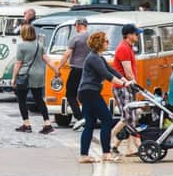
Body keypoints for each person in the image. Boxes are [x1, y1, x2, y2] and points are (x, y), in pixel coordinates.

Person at [79, 32, 134, 163]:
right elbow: (106, 75)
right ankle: (106, 153)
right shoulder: (94, 58)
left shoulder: (98, 57)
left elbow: (112, 70)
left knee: (90, 124)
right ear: (100, 43)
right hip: (90, 92)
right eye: (106, 41)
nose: (108, 43)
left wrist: (124, 79)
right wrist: (124, 83)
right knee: (107, 119)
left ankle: (84, 155)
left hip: (86, 92)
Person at [11, 24, 60, 134]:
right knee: (39, 99)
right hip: (38, 75)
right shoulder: (39, 45)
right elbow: (47, 59)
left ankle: (26, 124)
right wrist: (56, 70)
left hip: (25, 75)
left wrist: (13, 78)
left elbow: (18, 64)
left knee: (22, 100)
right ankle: (47, 124)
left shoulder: (21, 46)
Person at [110, 24, 143, 156]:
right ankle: (109, 137)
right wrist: (135, 85)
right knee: (128, 117)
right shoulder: (123, 48)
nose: (138, 36)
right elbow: (128, 72)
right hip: (123, 87)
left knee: (131, 117)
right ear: (129, 35)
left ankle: (121, 146)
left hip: (127, 87)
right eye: (136, 34)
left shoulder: (128, 47)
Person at [56, 17, 90, 130]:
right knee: (85, 95)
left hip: (76, 70)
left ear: (79, 25)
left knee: (70, 95)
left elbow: (67, 54)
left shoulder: (75, 38)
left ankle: (80, 118)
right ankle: (87, 117)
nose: (75, 28)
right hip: (88, 70)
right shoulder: (91, 37)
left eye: (75, 25)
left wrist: (58, 67)